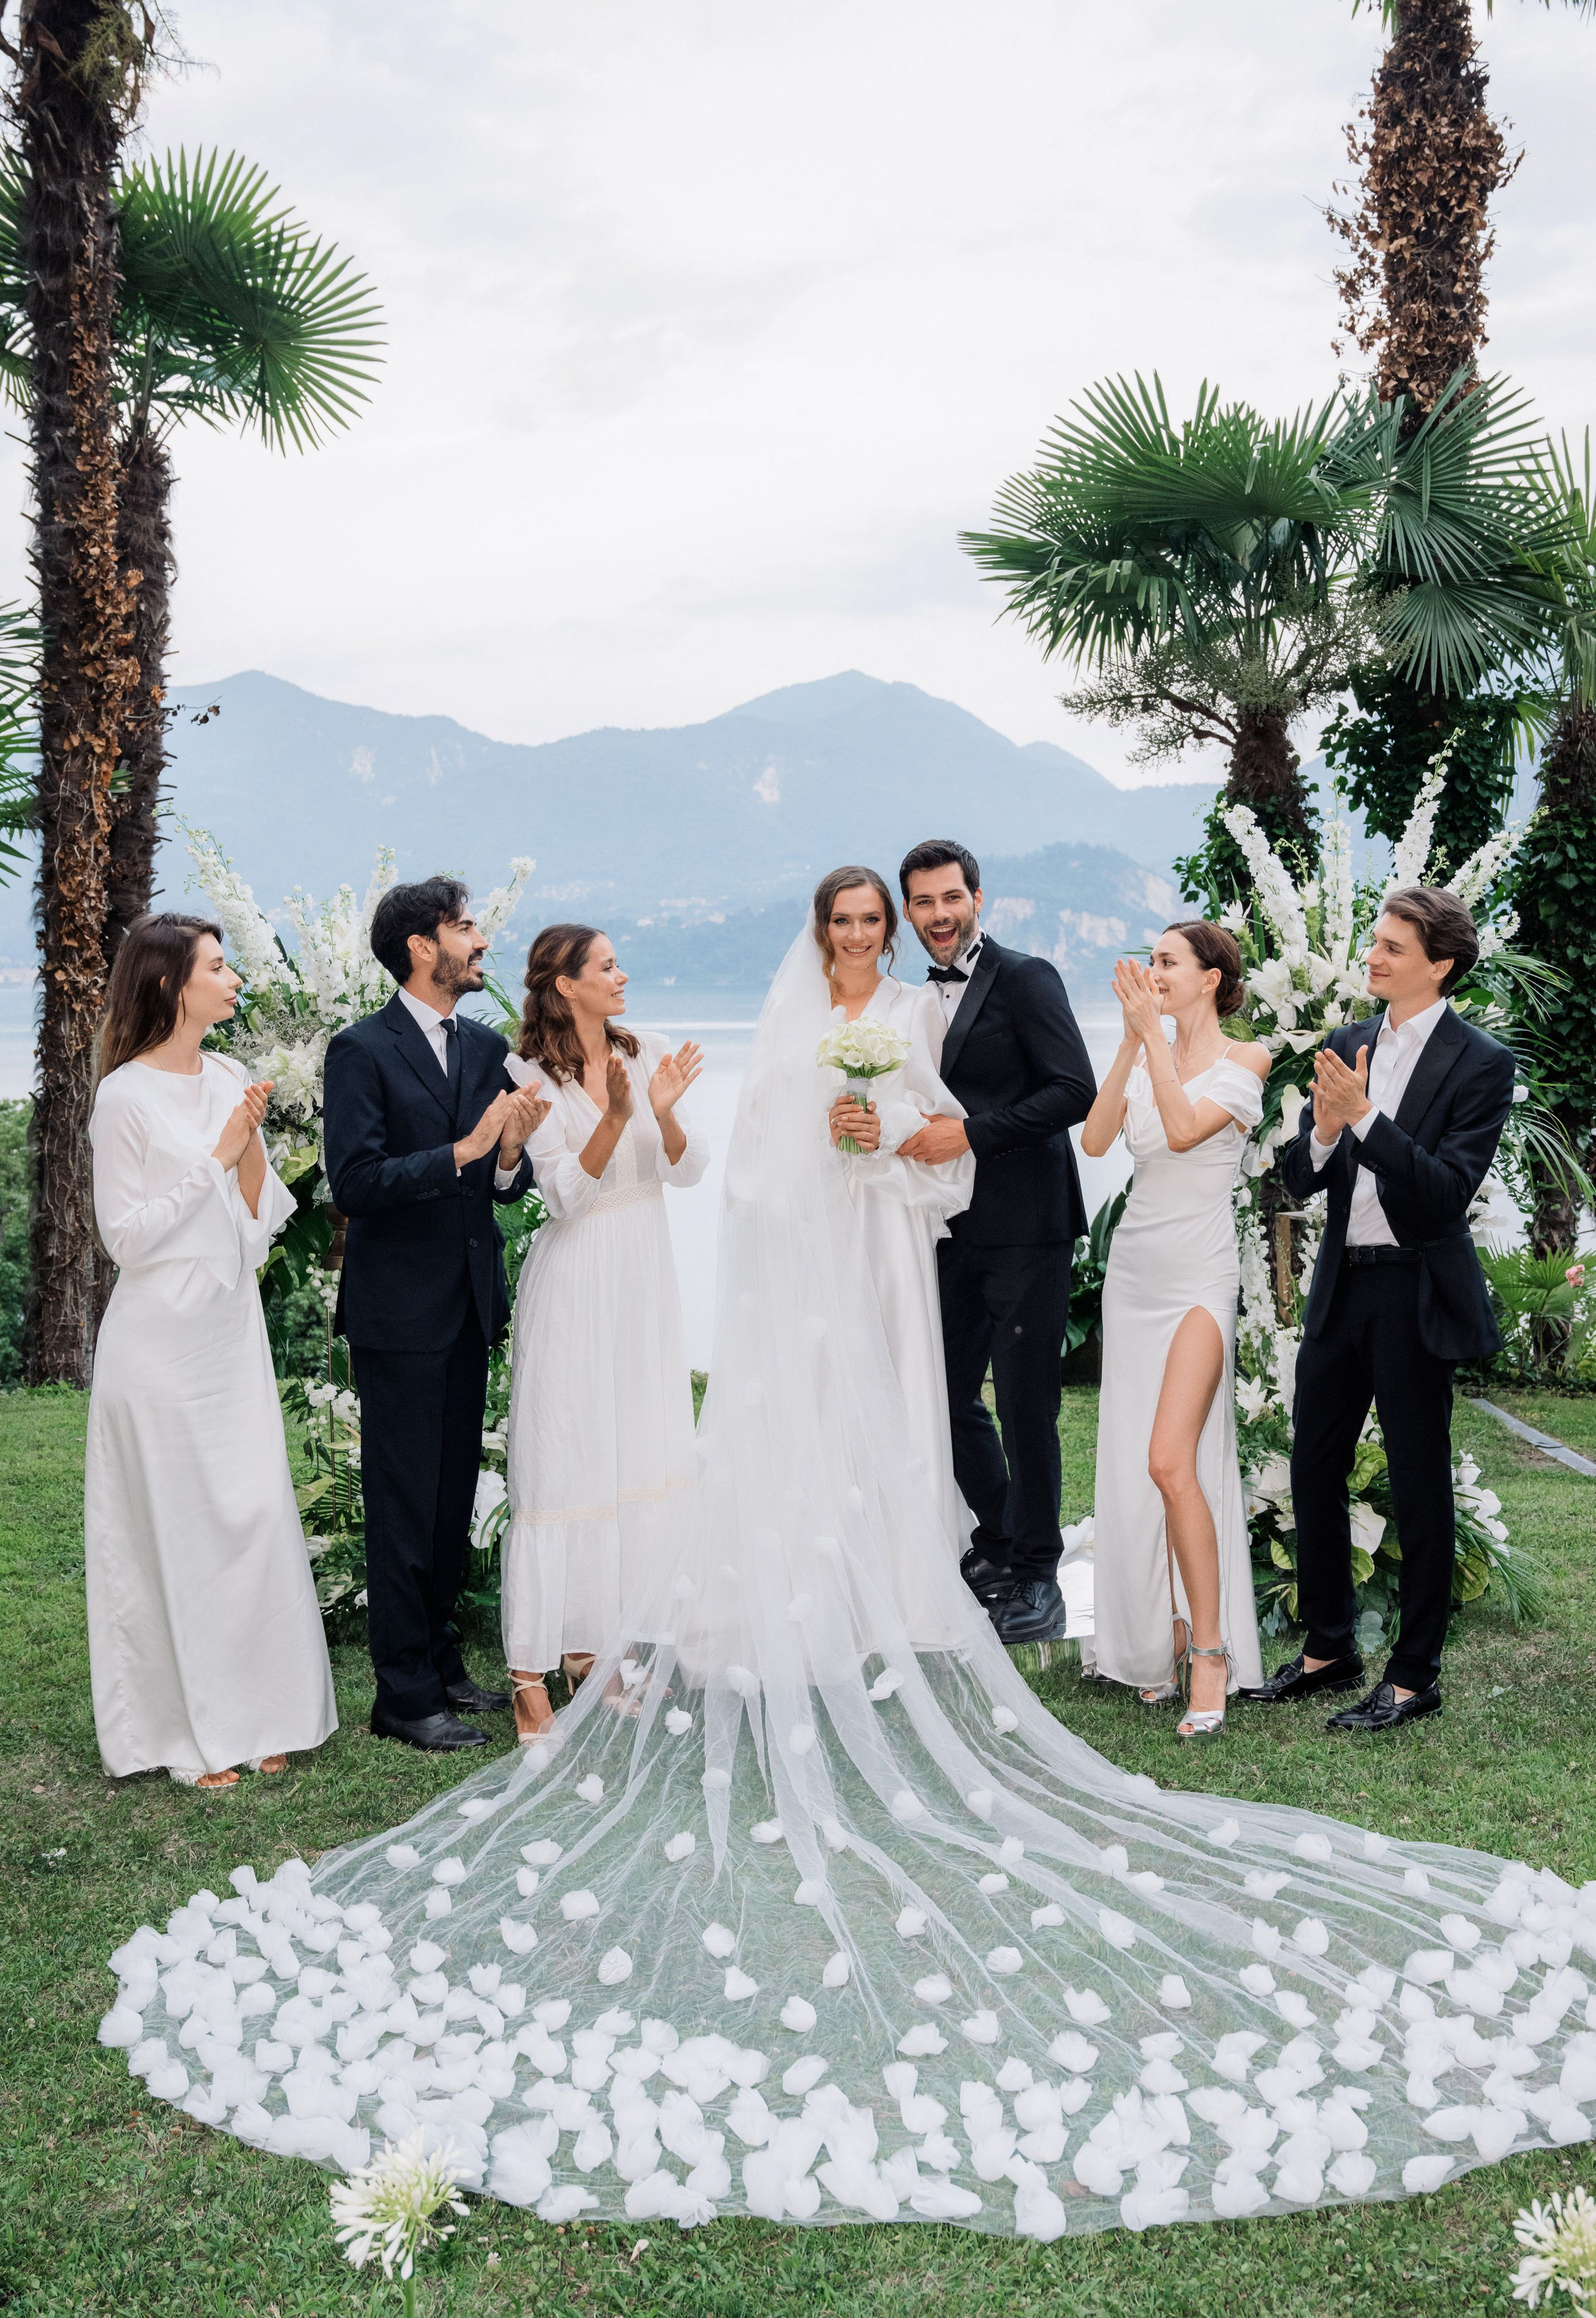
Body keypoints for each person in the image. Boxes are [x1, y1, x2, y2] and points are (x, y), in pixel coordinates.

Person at [112, 898, 1596, 2245]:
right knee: (686, 1451)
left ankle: (1277, 1640)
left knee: (1014, 1433)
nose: (875, 931)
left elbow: (1044, 1128)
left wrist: (881, 1125)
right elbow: (642, 1172)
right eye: (859, 915)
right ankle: (507, 1657)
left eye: (880, 915)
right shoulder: (567, 1054)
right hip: (687, 1264)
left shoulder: (964, 1022)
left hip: (1048, 1244)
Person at [1244, 886, 1515, 1734]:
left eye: (1394, 946)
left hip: (1414, 1289)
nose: (1375, 955)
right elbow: (1301, 1175)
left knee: (1418, 1477)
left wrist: (1366, 1117)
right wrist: (1326, 1130)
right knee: (1314, 1464)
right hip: (1342, 1283)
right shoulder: (1349, 1041)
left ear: (1438, 964)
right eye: (1376, 941)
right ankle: (1329, 1648)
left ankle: (1413, 1674)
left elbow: (1442, 1194)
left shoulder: (1480, 1062)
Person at [85, 912, 336, 1788]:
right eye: (219, 967)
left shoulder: (228, 1072)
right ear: (169, 984)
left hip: (229, 1330)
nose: (235, 981)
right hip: (159, 1340)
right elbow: (127, 1239)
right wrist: (217, 1155)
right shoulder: (123, 1097)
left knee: (252, 1514)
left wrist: (248, 1155)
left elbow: (258, 1219)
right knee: (180, 1530)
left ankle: (261, 1708)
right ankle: (184, 1731)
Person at [322, 877, 548, 1755]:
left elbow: (505, 1180)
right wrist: (463, 1147)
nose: (480, 942)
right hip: (398, 1313)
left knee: (454, 1497)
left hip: (467, 1306)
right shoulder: (361, 1051)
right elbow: (356, 1183)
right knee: (404, 1501)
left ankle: (445, 1665)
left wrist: (510, 1152)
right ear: (422, 946)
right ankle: (403, 1694)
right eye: (466, 929)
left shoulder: (488, 1045)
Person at [499, 925, 708, 1739]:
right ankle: (528, 1673)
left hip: (643, 1280)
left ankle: (599, 1648)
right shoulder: (530, 1075)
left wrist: (661, 1113)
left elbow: (688, 1170)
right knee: (563, 1464)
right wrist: (617, 1118)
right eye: (607, 966)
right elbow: (562, 1197)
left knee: (631, 1457)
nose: (623, 975)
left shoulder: (647, 1046)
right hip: (577, 1281)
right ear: (564, 987)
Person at [897, 837, 1096, 1644]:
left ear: (979, 898)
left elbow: (1073, 1090)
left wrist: (971, 1136)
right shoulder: (913, 1002)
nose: (939, 916)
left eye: (951, 898)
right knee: (942, 1398)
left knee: (1024, 1404)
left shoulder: (1026, 978)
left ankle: (1038, 1574)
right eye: (924, 903)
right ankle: (999, 1537)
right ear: (909, 912)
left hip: (1029, 1230)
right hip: (947, 1230)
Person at [1080, 925, 1267, 1733]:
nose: (1152, 972)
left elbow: (1187, 1128)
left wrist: (1152, 1041)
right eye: (1150, 961)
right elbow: (1094, 1140)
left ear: (1211, 980)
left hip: (1198, 1274)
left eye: (1166, 962)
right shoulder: (1147, 1045)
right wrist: (1130, 1045)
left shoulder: (1246, 1061)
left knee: (1172, 1460)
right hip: (1134, 1273)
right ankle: (1162, 1636)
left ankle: (1212, 1654)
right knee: (1137, 1457)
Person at [811, 866, 977, 1638]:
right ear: (822, 926)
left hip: (888, 1217)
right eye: (842, 919)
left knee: (899, 1373)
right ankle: (824, 1567)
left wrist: (892, 1125)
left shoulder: (914, 1007)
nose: (856, 934)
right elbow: (762, 1129)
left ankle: (907, 1581)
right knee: (819, 1382)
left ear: (889, 927)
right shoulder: (795, 1010)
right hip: (816, 1220)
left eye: (870, 919)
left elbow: (947, 1117)